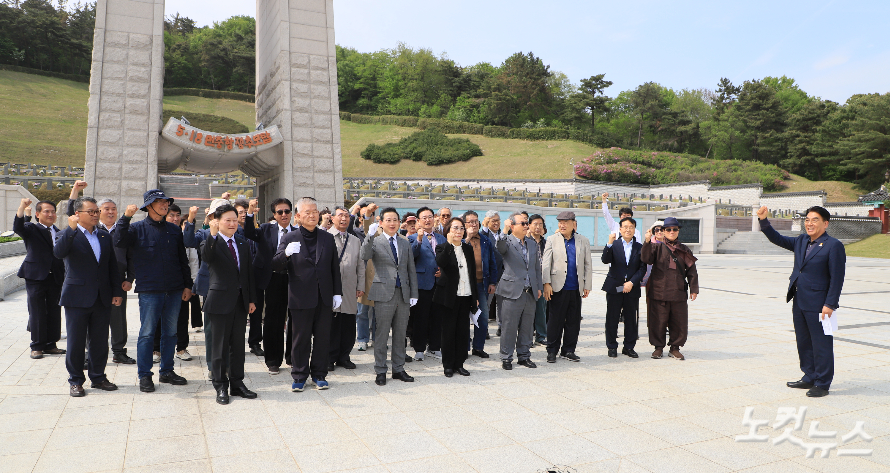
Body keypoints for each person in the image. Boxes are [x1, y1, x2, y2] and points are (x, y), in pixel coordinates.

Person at [758, 205, 845, 398]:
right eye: (807, 220)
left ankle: (822, 383)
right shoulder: (802, 241)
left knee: (821, 344)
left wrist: (830, 304)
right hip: (799, 300)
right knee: (804, 341)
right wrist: (764, 221)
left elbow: (837, 278)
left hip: (820, 304)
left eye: (815, 220)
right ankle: (809, 376)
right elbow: (777, 239)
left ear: (825, 223)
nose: (809, 223)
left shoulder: (833, 245)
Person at [115, 189, 193, 393]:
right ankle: (145, 375)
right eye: (159, 202)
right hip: (150, 290)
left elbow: (182, 260)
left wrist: (187, 285)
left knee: (171, 333)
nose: (164, 205)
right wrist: (126, 217)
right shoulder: (136, 229)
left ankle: (167, 371)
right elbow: (118, 240)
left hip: (175, 290)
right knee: (147, 334)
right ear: (148, 206)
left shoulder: (174, 230)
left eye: (166, 202)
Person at [54, 197, 124, 397]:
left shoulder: (103, 236)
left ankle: (98, 377)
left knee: (100, 341)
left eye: (96, 211)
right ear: (78, 214)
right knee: (76, 342)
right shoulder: (67, 234)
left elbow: (112, 267)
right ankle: (75, 380)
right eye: (91, 212)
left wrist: (116, 292)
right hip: (77, 297)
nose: (95, 215)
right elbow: (58, 254)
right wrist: (71, 230)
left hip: (102, 298)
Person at [272, 197, 343, 392]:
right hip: (300, 296)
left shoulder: (327, 238)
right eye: (307, 212)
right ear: (298, 216)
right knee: (300, 339)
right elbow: (276, 265)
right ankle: (299, 375)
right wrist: (285, 253)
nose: (312, 215)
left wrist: (338, 293)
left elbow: (334, 269)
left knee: (322, 338)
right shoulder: (289, 238)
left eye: (315, 211)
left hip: (324, 296)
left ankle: (319, 375)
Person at [65, 182, 137, 366]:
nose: (111, 212)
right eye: (106, 209)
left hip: (118, 282)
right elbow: (72, 214)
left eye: (114, 209)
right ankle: (91, 354)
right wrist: (75, 192)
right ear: (97, 212)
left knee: (119, 320)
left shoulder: (124, 230)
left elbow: (132, 257)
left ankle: (119, 351)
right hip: (93, 285)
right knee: (95, 323)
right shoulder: (92, 231)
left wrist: (129, 279)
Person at [201, 204, 258, 404]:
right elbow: (206, 257)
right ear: (217, 221)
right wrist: (212, 233)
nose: (233, 223)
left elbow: (248, 274)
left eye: (235, 220)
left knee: (237, 346)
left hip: (240, 302)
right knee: (219, 346)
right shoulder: (211, 241)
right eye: (228, 220)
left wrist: (251, 299)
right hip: (219, 302)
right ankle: (220, 385)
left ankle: (237, 383)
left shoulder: (242, 244)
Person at [360, 207, 419, 386]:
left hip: (403, 294)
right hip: (383, 293)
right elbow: (364, 255)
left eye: (395, 220)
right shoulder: (376, 241)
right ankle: (380, 370)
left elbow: (410, 270)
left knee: (400, 335)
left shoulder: (404, 242)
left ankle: (398, 369)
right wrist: (369, 236)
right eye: (388, 220)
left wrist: (414, 293)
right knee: (381, 334)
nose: (392, 223)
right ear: (381, 223)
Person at [244, 197, 297, 374]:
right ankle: (273, 360)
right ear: (274, 215)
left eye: (287, 211)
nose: (284, 215)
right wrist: (250, 212)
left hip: (294, 279)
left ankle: (292, 357)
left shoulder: (298, 231)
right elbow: (249, 233)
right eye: (280, 212)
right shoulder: (266, 229)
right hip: (272, 278)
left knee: (295, 319)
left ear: (292, 213)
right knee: (273, 320)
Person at [14, 198, 65, 360]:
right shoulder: (31, 228)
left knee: (54, 310)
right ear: (37, 214)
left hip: (55, 276)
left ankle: (51, 344)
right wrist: (22, 207)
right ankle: (37, 346)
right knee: (37, 311)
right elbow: (18, 226)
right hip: (36, 276)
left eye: (53, 211)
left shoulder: (58, 231)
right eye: (46, 211)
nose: (51, 214)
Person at [641, 216, 698, 361]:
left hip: (678, 292)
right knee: (657, 321)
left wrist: (693, 288)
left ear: (678, 231)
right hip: (659, 291)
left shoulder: (684, 249)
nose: (671, 232)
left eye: (674, 229)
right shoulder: (656, 247)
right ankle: (658, 348)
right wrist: (647, 241)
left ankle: (675, 348)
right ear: (663, 231)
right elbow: (646, 258)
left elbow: (691, 270)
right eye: (668, 229)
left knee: (679, 322)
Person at [542, 211, 593, 363]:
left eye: (565, 222)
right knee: (555, 321)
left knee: (573, 322)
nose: (562, 225)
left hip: (575, 288)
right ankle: (552, 350)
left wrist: (587, 285)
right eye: (560, 222)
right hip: (557, 287)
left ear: (573, 224)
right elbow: (546, 263)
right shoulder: (551, 240)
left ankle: (568, 350)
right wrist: (546, 283)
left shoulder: (583, 240)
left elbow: (587, 265)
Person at [495, 212, 543, 370]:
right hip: (512, 291)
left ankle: (524, 356)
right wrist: (504, 230)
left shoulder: (532, 243)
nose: (526, 226)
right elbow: (499, 249)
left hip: (529, 292)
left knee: (527, 327)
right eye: (522, 223)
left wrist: (539, 287)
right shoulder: (506, 241)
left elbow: (536, 268)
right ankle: (506, 357)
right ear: (512, 225)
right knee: (509, 326)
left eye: (526, 223)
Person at [434, 217, 478, 377]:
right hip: (449, 297)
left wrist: (475, 296)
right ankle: (448, 365)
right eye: (455, 228)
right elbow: (441, 262)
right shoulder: (442, 247)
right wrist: (449, 244)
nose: (458, 231)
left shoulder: (467, 248)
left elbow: (472, 274)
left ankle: (459, 364)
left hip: (466, 295)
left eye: (461, 228)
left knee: (463, 332)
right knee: (448, 332)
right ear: (448, 230)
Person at [408, 207, 448, 361]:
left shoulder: (442, 238)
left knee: (438, 317)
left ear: (434, 219)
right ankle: (419, 349)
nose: (427, 220)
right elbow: (411, 256)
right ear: (418, 220)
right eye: (424, 217)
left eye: (430, 217)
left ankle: (435, 347)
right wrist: (418, 240)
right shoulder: (412, 238)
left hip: (439, 284)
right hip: (422, 283)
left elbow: (448, 260)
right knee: (421, 317)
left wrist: (443, 272)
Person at [601, 217, 645, 359]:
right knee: (612, 318)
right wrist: (609, 243)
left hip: (631, 288)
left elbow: (642, 268)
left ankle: (629, 347)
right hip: (616, 287)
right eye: (625, 227)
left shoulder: (639, 247)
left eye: (631, 227)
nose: (628, 229)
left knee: (631, 319)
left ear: (634, 230)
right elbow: (605, 260)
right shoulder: (614, 245)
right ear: (620, 229)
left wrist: (631, 282)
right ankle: (612, 346)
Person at [328, 207, 365, 372]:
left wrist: (361, 286)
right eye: (340, 216)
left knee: (349, 324)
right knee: (331, 324)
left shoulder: (355, 240)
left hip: (350, 288)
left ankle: (344, 356)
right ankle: (329, 358)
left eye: (346, 216)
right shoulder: (325, 237)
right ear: (332, 219)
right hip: (330, 288)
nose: (343, 219)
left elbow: (361, 266)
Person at [462, 211, 499, 358]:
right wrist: (468, 238)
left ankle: (478, 347)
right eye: (470, 222)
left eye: (476, 221)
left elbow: (492, 262)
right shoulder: (461, 239)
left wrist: (492, 282)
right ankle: (464, 347)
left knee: (482, 317)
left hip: (481, 284)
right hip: (464, 285)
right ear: (464, 224)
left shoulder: (485, 240)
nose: (474, 224)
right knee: (464, 318)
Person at [480, 210, 504, 331]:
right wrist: (484, 227)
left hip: (502, 274)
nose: (496, 223)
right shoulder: (483, 234)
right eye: (493, 220)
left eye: (498, 220)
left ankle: (501, 326)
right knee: (486, 304)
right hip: (489, 276)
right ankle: (484, 329)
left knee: (501, 304)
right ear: (487, 221)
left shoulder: (503, 234)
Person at [528, 214, 548, 346]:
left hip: (542, 280)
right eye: (535, 224)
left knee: (541, 309)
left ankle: (541, 336)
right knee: (528, 311)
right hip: (528, 281)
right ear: (529, 226)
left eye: (540, 224)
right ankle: (527, 337)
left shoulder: (546, 243)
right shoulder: (525, 242)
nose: (538, 227)